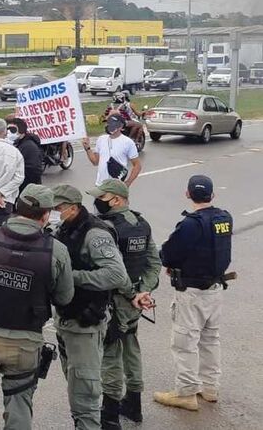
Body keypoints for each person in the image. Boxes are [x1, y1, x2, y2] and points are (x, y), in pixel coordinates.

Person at [0, 184, 74, 430]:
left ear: (16, 208)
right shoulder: (57, 250)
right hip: (25, 341)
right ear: (45, 215)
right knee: (19, 402)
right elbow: (64, 297)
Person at [50, 184, 131, 430]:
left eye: (58, 208)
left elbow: (117, 276)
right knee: (74, 381)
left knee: (85, 388)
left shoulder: (95, 234)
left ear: (73, 208)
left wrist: (70, 277)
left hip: (86, 320)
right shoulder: (64, 228)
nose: (54, 212)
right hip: (66, 317)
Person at [153, 175, 233, 412]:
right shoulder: (224, 218)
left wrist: (168, 262)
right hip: (216, 289)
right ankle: (210, 388)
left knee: (185, 342)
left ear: (187, 194)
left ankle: (186, 392)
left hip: (192, 292)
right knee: (210, 339)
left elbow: (169, 253)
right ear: (212, 195)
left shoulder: (190, 224)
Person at [89, 179, 160, 427]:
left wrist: (131, 293)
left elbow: (113, 272)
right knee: (131, 346)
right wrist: (143, 292)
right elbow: (154, 263)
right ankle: (133, 404)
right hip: (134, 303)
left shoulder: (106, 228)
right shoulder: (141, 224)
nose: (97, 201)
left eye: (102, 197)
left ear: (116, 200)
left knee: (110, 354)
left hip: (112, 301)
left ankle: (109, 416)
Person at [81, 116, 142, 186]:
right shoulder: (101, 139)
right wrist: (88, 148)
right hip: (100, 185)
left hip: (116, 187)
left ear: (121, 127)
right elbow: (95, 162)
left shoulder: (128, 142)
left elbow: (137, 165)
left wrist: (128, 182)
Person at [9, 118, 43, 192]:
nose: (9, 132)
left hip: (28, 189)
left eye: (12, 130)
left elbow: (34, 169)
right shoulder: (17, 143)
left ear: (21, 131)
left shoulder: (29, 146)